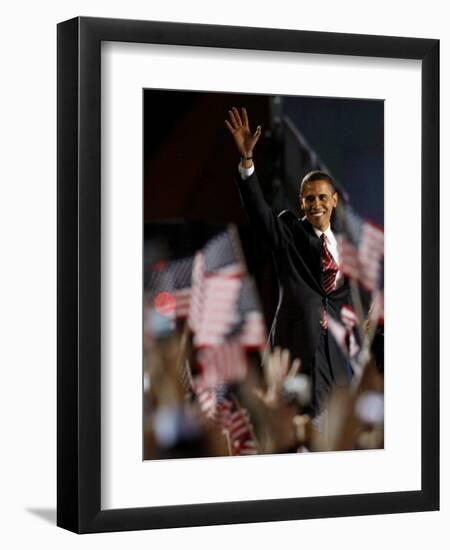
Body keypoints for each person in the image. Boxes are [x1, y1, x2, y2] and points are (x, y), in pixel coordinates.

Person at [225, 106, 353, 416]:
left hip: (335, 365)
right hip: (294, 354)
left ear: (334, 200)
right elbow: (259, 213)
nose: (316, 204)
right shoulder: (290, 232)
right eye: (309, 198)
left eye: (322, 197)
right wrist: (247, 162)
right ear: (301, 202)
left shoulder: (348, 251)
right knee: (292, 437)